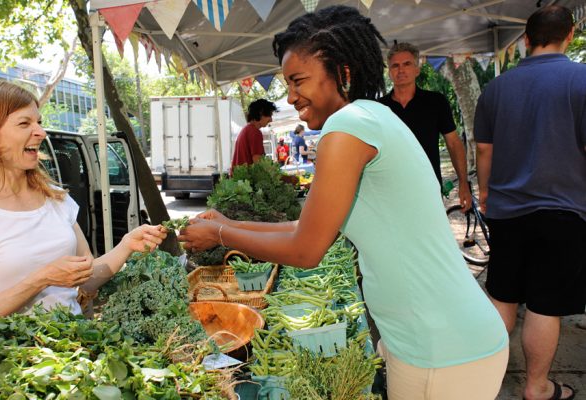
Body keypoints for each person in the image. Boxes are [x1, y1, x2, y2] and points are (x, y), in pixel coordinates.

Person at [179, 6, 508, 399]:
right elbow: (308, 227)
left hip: (444, 350)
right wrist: (228, 222)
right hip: (437, 341)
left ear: (343, 73)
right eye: (287, 83)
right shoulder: (370, 118)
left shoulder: (347, 126)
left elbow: (305, 248)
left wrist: (218, 233)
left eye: (299, 80)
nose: (291, 96)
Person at [0, 81, 167, 334]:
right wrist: (40, 279)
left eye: (39, 122)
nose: (41, 132)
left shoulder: (57, 200)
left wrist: (127, 245)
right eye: (24, 123)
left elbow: (86, 278)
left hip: (69, 355)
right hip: (6, 366)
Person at [474, 6, 585, 400]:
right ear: (569, 35)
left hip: (506, 212)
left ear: (526, 39)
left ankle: (478, 382)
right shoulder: (581, 79)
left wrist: (486, 194)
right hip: (564, 210)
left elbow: (483, 150)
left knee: (502, 297)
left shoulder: (497, 88)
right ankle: (537, 388)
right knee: (545, 303)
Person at [379, 42, 471, 211]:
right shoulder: (379, 108)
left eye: (407, 64)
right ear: (389, 72)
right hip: (388, 193)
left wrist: (463, 183)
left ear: (417, 69)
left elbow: (453, 143)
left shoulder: (435, 102)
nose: (401, 70)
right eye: (395, 66)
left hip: (428, 189)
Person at [231, 98, 277, 169]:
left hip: (239, 178)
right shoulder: (254, 132)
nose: (271, 119)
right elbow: (259, 163)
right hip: (246, 178)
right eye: (269, 115)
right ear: (261, 113)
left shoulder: (247, 129)